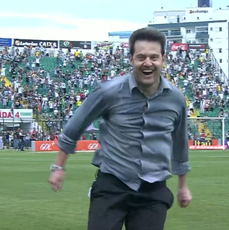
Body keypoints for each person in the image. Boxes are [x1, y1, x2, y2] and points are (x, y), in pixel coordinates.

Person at [48, 27, 192, 230]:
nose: (148, 63)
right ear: (131, 59)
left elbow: (180, 144)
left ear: (163, 59)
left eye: (154, 57)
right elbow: (74, 128)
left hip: (153, 191)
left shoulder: (176, 99)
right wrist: (58, 168)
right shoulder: (109, 92)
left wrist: (183, 187)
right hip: (112, 185)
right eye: (141, 57)